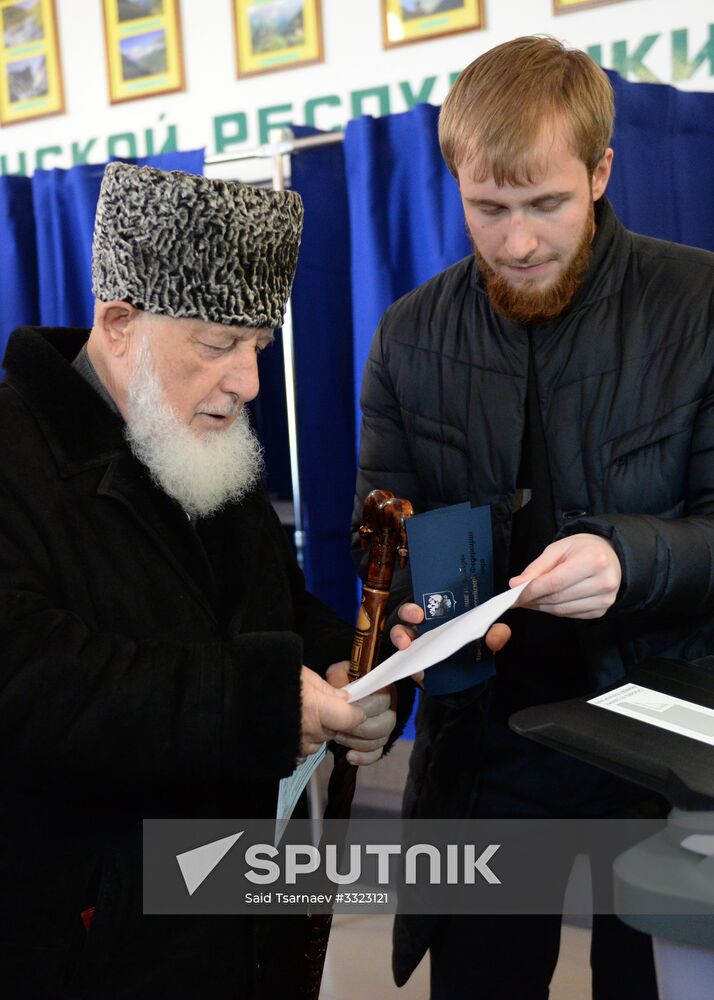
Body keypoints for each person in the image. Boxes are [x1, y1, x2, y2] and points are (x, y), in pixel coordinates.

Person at [356, 35, 714, 1000]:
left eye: (546, 204)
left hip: (661, 752)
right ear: (455, 186)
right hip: (486, 752)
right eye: (488, 208)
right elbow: (383, 530)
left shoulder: (700, 303)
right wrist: (408, 615)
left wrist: (630, 560)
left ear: (600, 171)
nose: (516, 243)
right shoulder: (408, 335)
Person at [0, 162, 397, 999]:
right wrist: (258, 703)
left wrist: (343, 667)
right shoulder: (14, 459)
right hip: (93, 938)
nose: (249, 382)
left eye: (258, 345)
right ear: (118, 322)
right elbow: (31, 676)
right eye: (217, 345)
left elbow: (268, 607)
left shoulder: (197, 436)